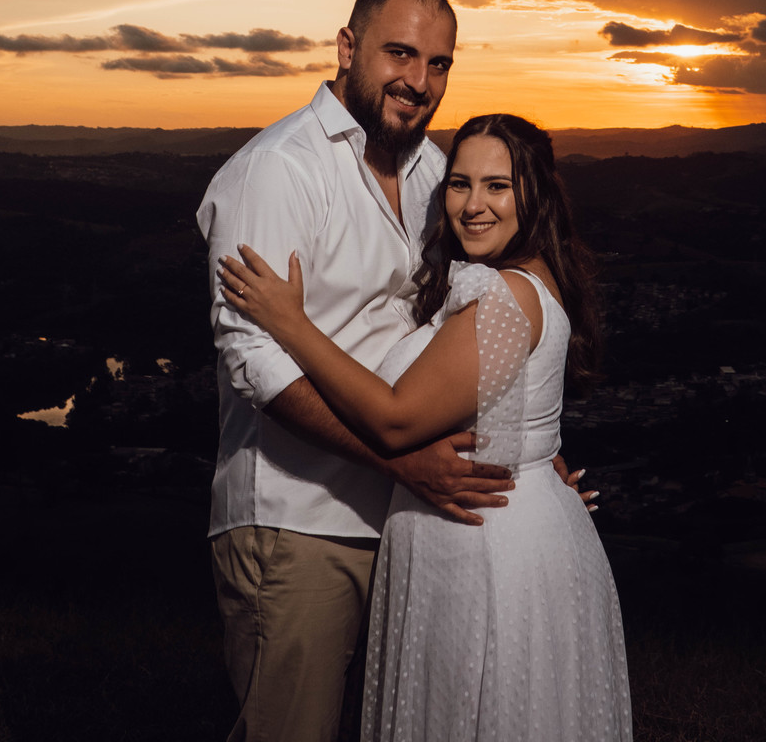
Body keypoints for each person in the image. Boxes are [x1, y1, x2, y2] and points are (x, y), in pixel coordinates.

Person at [219, 112, 633, 742]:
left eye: (498, 186)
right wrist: (536, 454)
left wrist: (291, 321)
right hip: (492, 530)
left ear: (537, 194)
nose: (473, 205)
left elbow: (394, 418)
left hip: (484, 546)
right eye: (460, 184)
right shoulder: (528, 280)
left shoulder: (502, 296)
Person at [196, 0, 521, 742]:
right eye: (400, 53)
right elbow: (255, 363)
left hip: (408, 520)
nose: (419, 81)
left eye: (439, 63)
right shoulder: (279, 170)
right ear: (347, 48)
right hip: (295, 521)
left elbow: (462, 329)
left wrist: (525, 452)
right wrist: (398, 459)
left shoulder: (434, 173)